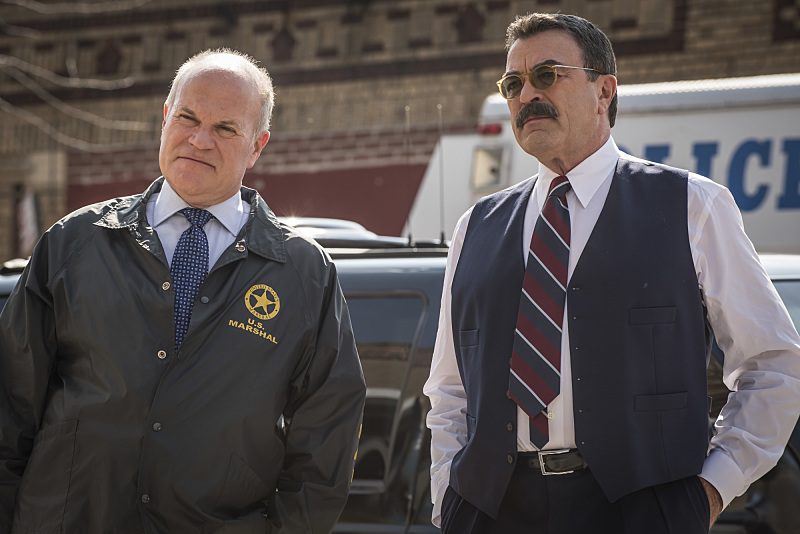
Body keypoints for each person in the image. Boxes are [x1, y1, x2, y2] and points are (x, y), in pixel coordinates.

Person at [424, 12, 800, 534]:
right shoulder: (476, 226)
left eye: (547, 75)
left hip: (640, 511)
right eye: (513, 83)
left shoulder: (693, 205)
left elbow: (774, 366)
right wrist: (449, 497)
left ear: (604, 90)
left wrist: (710, 492)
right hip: (490, 511)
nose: (527, 94)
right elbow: (449, 391)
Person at [0, 49, 366, 533]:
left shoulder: (303, 273)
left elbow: (326, 443)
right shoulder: (74, 243)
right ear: (165, 118)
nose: (199, 139)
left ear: (257, 146)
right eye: (188, 118)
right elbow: (10, 406)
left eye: (225, 128)